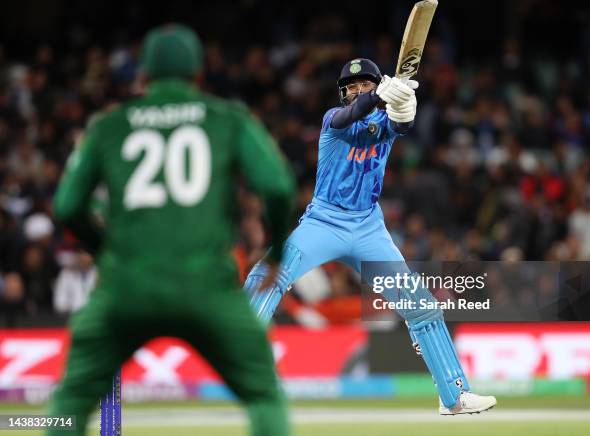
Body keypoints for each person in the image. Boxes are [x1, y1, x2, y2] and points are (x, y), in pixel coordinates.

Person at [46, 24, 294, 436]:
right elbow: (277, 186)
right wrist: (280, 251)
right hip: (208, 286)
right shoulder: (226, 118)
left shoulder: (109, 125)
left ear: (142, 77)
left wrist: (104, 251)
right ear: (199, 75)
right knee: (264, 395)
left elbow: (67, 205)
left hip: (123, 289)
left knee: (69, 403)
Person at [244, 58, 496, 415]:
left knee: (420, 305)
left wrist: (405, 106)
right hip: (325, 220)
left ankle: (454, 396)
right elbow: (349, 117)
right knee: (269, 271)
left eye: (366, 84)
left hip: (368, 227)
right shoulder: (333, 119)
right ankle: (239, 357)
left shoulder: (383, 121)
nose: (359, 90)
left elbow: (402, 124)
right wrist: (377, 95)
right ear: (345, 93)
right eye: (354, 86)